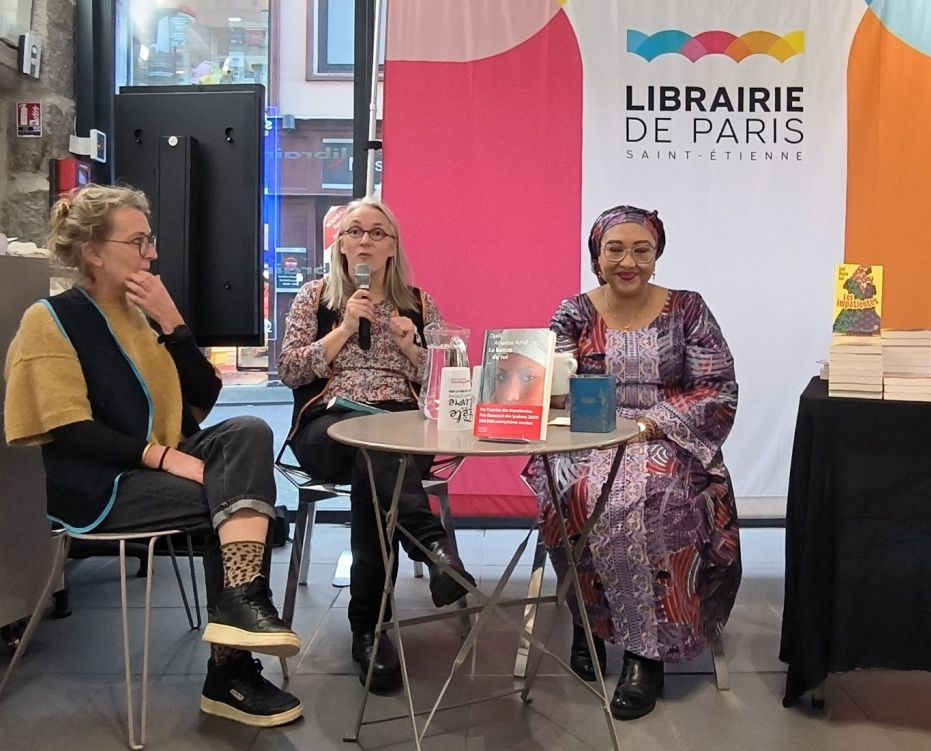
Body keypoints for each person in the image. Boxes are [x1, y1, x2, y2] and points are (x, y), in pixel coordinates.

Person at [2, 185, 302, 727]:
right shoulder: (49, 320)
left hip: (157, 463)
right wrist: (160, 456)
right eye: (138, 241)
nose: (152, 253)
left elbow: (203, 399)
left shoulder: (139, 315)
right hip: (100, 487)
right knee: (231, 498)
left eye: (151, 239)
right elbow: (66, 427)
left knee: (249, 430)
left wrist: (174, 325)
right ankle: (230, 669)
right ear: (94, 252)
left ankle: (240, 602)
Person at [524, 205, 741, 720]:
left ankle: (647, 654)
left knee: (660, 497)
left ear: (656, 255)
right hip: (585, 435)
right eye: (615, 250)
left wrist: (649, 424)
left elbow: (716, 386)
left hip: (667, 435)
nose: (628, 261)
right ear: (596, 257)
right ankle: (589, 625)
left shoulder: (688, 309)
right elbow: (547, 383)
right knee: (571, 490)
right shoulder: (574, 312)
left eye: (641, 250)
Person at [278, 197, 475, 694]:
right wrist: (344, 329)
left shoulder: (420, 304)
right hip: (327, 425)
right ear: (341, 245)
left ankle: (368, 630)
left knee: (377, 463)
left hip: (399, 427)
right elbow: (290, 371)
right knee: (375, 453)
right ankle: (433, 546)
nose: (365, 240)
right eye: (355, 231)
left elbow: (452, 382)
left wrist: (413, 348)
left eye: (377, 233)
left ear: (393, 247)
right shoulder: (315, 297)